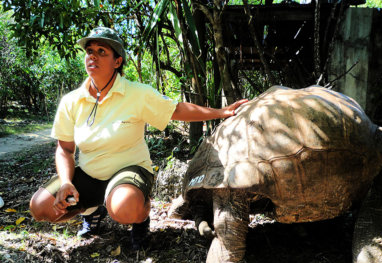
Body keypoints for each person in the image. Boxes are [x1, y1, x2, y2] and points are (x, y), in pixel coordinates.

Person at [29, 27, 247, 250]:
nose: (92, 56)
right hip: (90, 173)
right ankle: (92, 210)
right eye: (89, 51)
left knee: (125, 208)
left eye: (102, 51)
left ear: (117, 61)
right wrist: (66, 182)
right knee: (41, 207)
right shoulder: (71, 101)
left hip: (129, 169)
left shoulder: (136, 93)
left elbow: (177, 110)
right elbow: (65, 149)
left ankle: (140, 219)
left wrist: (221, 112)